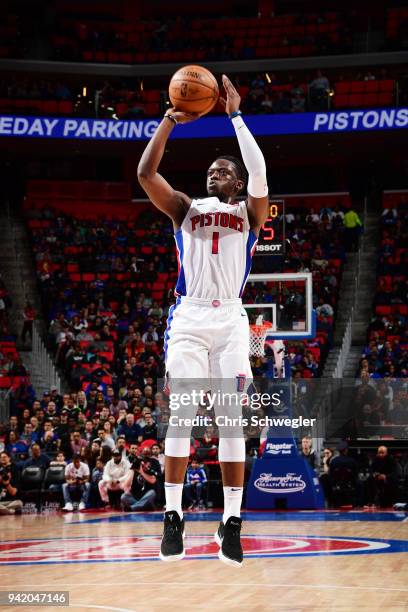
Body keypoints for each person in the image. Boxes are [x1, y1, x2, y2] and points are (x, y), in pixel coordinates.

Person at [137, 74, 269, 566]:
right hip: (190, 318)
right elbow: (146, 174)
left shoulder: (251, 213)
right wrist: (170, 121)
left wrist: (235, 115)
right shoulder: (186, 208)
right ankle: (173, 518)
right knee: (184, 417)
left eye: (222, 172)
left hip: (232, 319)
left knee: (232, 421)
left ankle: (230, 522)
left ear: (235, 182)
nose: (214, 176)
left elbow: (260, 174)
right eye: (210, 172)